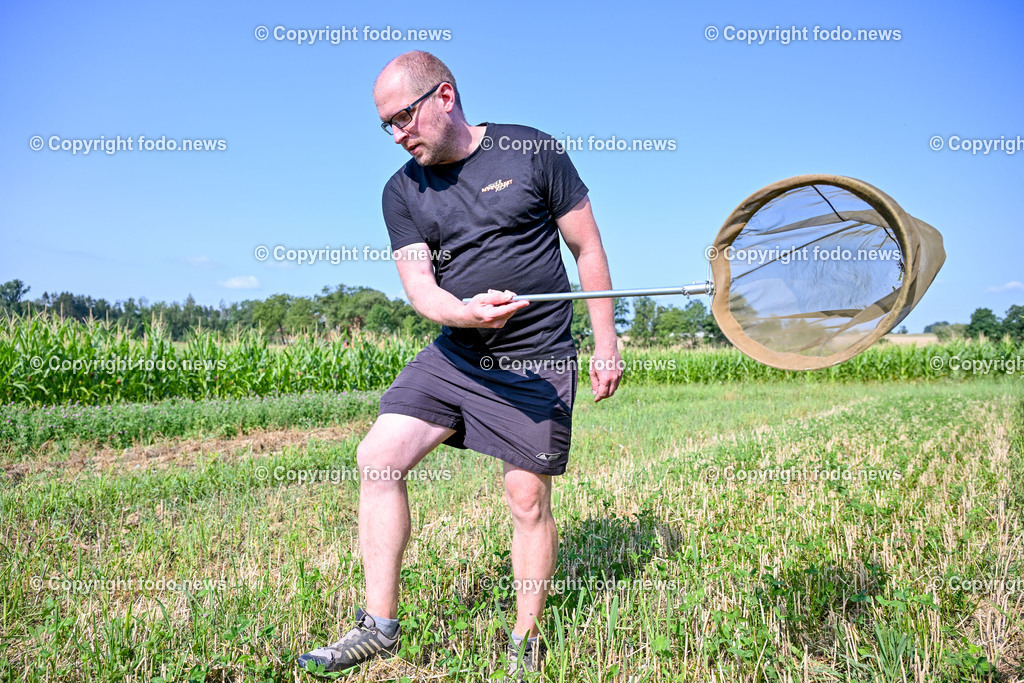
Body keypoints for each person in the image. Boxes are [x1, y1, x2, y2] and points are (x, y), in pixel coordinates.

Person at [297, 50, 622, 677]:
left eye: (404, 118)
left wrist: (605, 344)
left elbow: (587, 246)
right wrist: (465, 314)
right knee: (379, 458)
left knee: (526, 497)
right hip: (459, 351)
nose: (398, 136)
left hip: (535, 357)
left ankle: (527, 639)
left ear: (444, 97)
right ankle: (378, 629)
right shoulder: (401, 191)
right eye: (386, 126)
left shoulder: (531, 151)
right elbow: (420, 288)